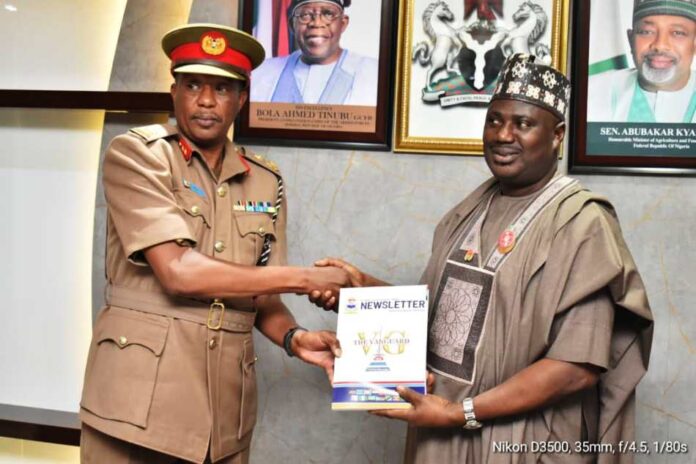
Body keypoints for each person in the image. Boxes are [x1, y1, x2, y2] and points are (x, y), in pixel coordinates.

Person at [313, 54, 654, 463]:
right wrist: (363, 288)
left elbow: (576, 366)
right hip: (440, 431)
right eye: (494, 120)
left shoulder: (583, 224)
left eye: (523, 123)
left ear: (557, 134)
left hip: (524, 441)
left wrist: (461, 413)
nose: (502, 135)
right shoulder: (470, 209)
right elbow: (451, 318)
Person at [79, 24, 350, 464]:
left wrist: (294, 337)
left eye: (222, 88)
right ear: (174, 92)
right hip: (136, 411)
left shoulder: (266, 180)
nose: (206, 101)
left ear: (241, 99)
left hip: (224, 418)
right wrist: (307, 278)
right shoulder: (139, 155)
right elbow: (178, 272)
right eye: (193, 85)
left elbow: (261, 295)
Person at [251, 0, 379, 105]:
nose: (317, 23)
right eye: (305, 15)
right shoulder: (261, 73)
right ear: (292, 25)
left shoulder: (374, 74)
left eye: (328, 14)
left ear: (343, 23)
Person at [588, 0, 696, 123]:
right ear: (630, 39)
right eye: (647, 32)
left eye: (678, 33)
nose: (660, 45)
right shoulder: (591, 93)